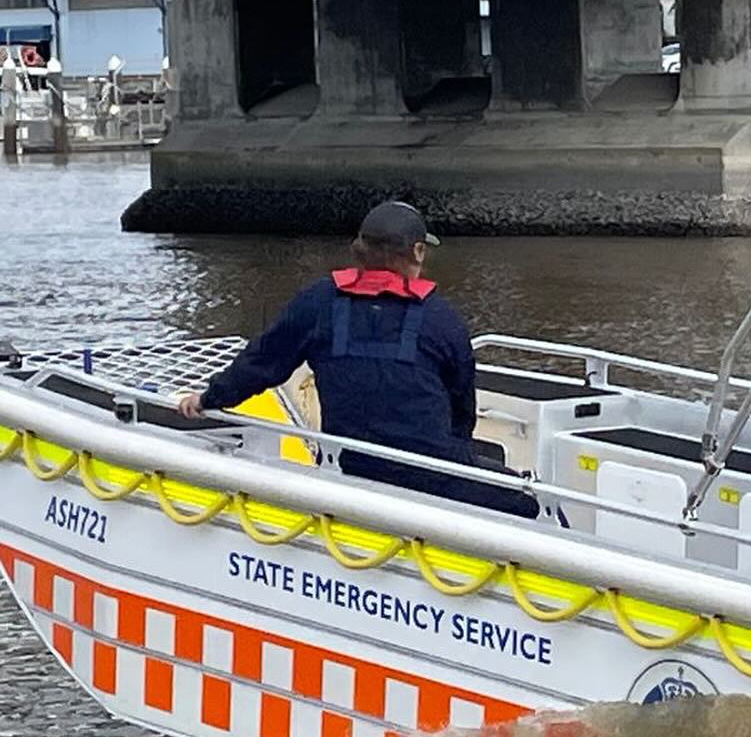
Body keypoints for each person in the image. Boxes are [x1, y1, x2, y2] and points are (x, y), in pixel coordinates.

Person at [179, 200, 538, 518]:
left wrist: (209, 399)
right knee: (531, 501)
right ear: (416, 252)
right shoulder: (439, 317)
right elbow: (462, 408)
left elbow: (260, 364)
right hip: (428, 475)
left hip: (352, 467)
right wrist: (458, 458)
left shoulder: (318, 303)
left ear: (359, 251)